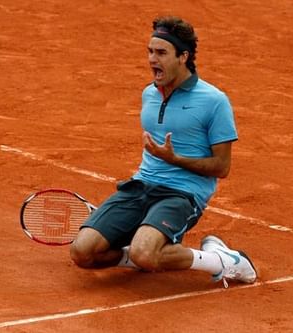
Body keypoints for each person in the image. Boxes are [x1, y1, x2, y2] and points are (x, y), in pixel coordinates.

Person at [70, 16, 256, 288]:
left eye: (161, 53)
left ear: (183, 56)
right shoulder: (150, 94)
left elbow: (222, 167)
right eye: (150, 52)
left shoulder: (214, 101)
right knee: (82, 253)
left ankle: (223, 260)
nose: (152, 60)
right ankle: (148, 251)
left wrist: (174, 159)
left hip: (182, 194)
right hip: (141, 186)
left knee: (144, 252)